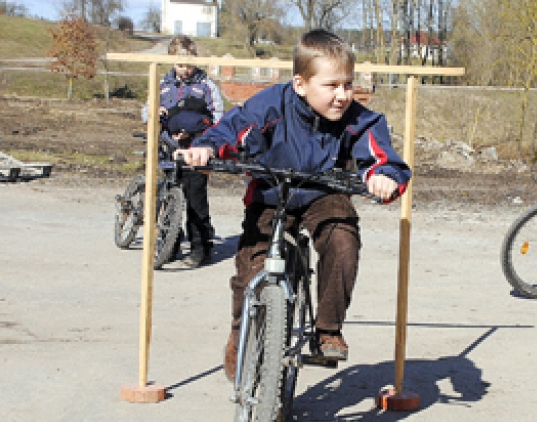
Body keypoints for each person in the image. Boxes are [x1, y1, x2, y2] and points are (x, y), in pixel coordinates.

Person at [182, 29, 411, 380]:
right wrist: (208, 148)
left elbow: (384, 158)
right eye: (331, 85)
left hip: (324, 192)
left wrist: (383, 177)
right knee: (252, 268)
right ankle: (241, 332)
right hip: (272, 194)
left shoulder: (357, 119)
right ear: (301, 84)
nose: (342, 95)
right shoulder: (271, 105)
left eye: (348, 84)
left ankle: (327, 329)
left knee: (342, 239)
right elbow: (233, 128)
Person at [142, 36, 225, 267]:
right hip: (169, 149)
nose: (185, 70)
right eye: (180, 65)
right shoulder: (162, 84)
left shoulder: (206, 86)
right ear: (172, 62)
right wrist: (154, 111)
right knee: (167, 197)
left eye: (189, 65)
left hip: (196, 151)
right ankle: (170, 243)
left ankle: (201, 247)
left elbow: (218, 118)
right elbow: (146, 111)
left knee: (195, 199)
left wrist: (198, 134)